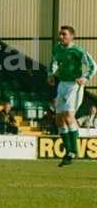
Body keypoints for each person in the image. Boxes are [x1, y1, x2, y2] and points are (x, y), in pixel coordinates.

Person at [48, 25, 97, 167]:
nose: (61, 37)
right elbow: (54, 62)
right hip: (62, 84)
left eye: (64, 34)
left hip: (74, 86)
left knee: (69, 116)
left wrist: (85, 78)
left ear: (71, 36)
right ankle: (69, 151)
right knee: (58, 119)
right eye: (60, 34)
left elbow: (93, 66)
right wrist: (51, 74)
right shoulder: (57, 48)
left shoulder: (78, 51)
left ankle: (74, 150)